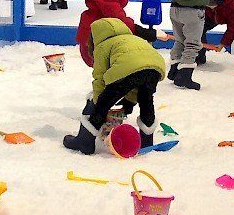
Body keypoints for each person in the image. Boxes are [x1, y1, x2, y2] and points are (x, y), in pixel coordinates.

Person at [63, 18, 165, 155]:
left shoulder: (104, 45)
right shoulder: (133, 39)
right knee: (146, 100)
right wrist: (129, 104)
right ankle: (147, 142)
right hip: (156, 67)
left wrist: (99, 103)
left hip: (129, 68)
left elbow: (100, 78)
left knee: (102, 105)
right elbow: (137, 77)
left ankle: (84, 141)